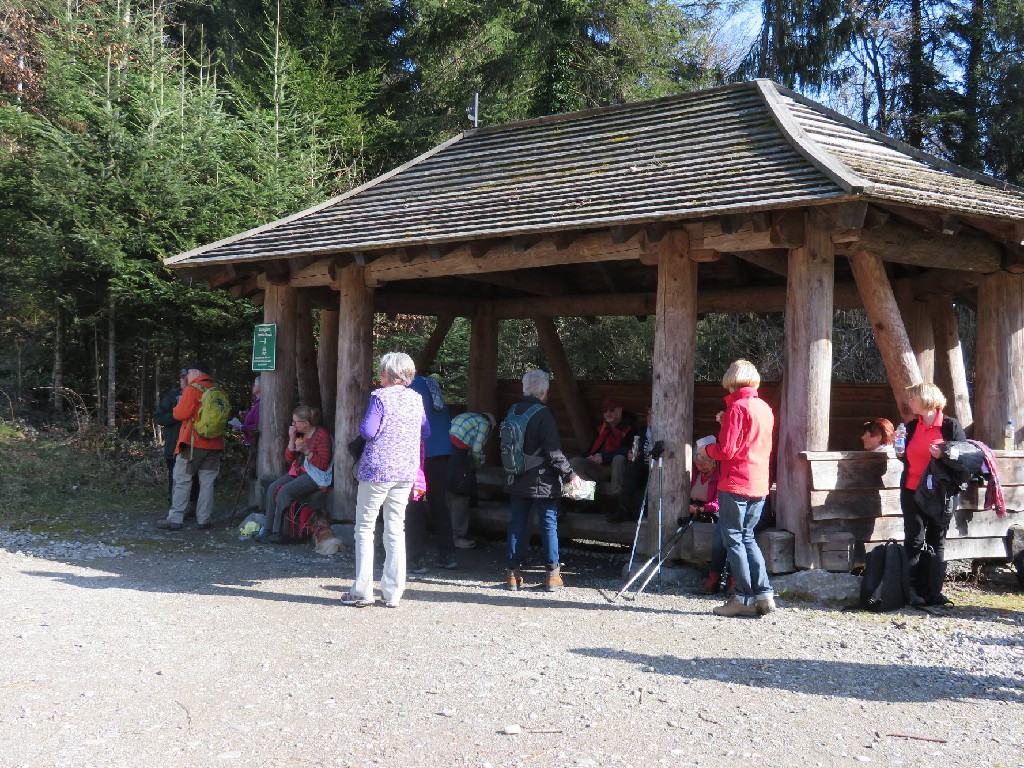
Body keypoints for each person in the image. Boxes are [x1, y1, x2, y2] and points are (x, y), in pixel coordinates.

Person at [343, 352, 429, 609]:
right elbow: (426, 431)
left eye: (381, 371)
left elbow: (368, 430)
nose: (378, 376)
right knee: (395, 528)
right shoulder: (416, 399)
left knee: (365, 529)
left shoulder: (380, 398)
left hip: (377, 471)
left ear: (389, 375)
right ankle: (392, 593)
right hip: (405, 471)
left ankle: (363, 590)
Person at [700, 359, 776, 617]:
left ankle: (743, 598)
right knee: (748, 537)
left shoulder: (737, 409)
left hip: (735, 483)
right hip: (759, 482)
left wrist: (706, 449)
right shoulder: (764, 407)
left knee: (733, 539)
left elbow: (726, 450)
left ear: (731, 382)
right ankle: (764, 595)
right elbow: (749, 442)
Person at [505, 369, 582, 592]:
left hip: (516, 476)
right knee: (548, 522)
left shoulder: (513, 410)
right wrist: (570, 474)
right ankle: (552, 575)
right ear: (544, 390)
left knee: (517, 523)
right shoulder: (543, 414)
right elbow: (553, 451)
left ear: (524, 387)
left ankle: (512, 574)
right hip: (542, 480)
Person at [895, 383, 965, 606]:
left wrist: (943, 454)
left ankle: (932, 592)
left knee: (936, 540)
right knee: (914, 539)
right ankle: (911, 590)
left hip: (941, 493)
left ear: (926, 399)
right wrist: (898, 448)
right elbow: (906, 457)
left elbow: (963, 457)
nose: (909, 402)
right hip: (912, 489)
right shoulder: (912, 426)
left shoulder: (950, 425)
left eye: (913, 398)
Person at [155, 361, 224, 531]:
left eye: (189, 374)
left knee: (182, 480)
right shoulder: (218, 391)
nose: (187, 377)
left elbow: (180, 413)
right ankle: (204, 520)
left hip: (192, 444)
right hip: (215, 444)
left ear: (195, 372)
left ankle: (175, 518)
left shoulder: (192, 390)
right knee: (207, 483)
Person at [257, 405, 333, 544]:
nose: (293, 424)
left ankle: (277, 531)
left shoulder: (321, 435)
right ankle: (267, 529)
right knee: (273, 487)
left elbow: (323, 464)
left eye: (295, 422)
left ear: (306, 423)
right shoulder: (300, 434)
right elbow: (289, 459)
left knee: (285, 491)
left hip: (315, 475)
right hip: (299, 471)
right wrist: (292, 439)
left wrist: (307, 452)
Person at [407, 375, 457, 570]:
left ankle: (416, 558)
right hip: (442, 449)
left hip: (421, 450)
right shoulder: (430, 383)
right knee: (438, 502)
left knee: (414, 502)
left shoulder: (411, 387)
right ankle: (447, 555)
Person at [569, 396, 635, 509]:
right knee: (574, 462)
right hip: (598, 467)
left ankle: (616, 501)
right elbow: (593, 447)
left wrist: (604, 457)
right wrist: (589, 457)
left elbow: (629, 450)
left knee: (619, 459)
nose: (608, 413)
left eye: (611, 410)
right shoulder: (604, 428)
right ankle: (588, 500)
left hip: (614, 467)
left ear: (620, 410)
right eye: (605, 411)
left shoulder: (630, 428)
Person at [153, 368, 200, 516]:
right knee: (175, 477)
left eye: (187, 377)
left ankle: (193, 507)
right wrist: (178, 415)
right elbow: (159, 417)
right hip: (174, 445)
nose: (184, 381)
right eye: (181, 378)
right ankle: (175, 508)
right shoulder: (172, 397)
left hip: (195, 445)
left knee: (195, 477)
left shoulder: (201, 394)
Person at [447, 411, 496, 549]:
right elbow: (476, 449)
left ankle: (447, 533)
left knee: (448, 491)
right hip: (458, 454)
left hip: (445, 451)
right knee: (460, 493)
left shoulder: (467, 417)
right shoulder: (484, 424)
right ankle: (457, 536)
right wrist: (478, 463)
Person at [690, 436, 729, 594]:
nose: (699, 467)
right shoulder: (695, 473)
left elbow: (718, 504)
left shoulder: (719, 475)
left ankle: (717, 577)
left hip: (710, 513)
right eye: (697, 463)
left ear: (714, 461)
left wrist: (702, 509)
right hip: (694, 510)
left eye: (702, 463)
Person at [608, 405, 653, 523]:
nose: (649, 417)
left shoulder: (666, 433)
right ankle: (622, 508)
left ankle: (638, 513)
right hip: (643, 468)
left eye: (652, 414)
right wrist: (632, 454)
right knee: (631, 467)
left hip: (658, 470)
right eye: (648, 414)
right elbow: (637, 451)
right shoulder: (643, 431)